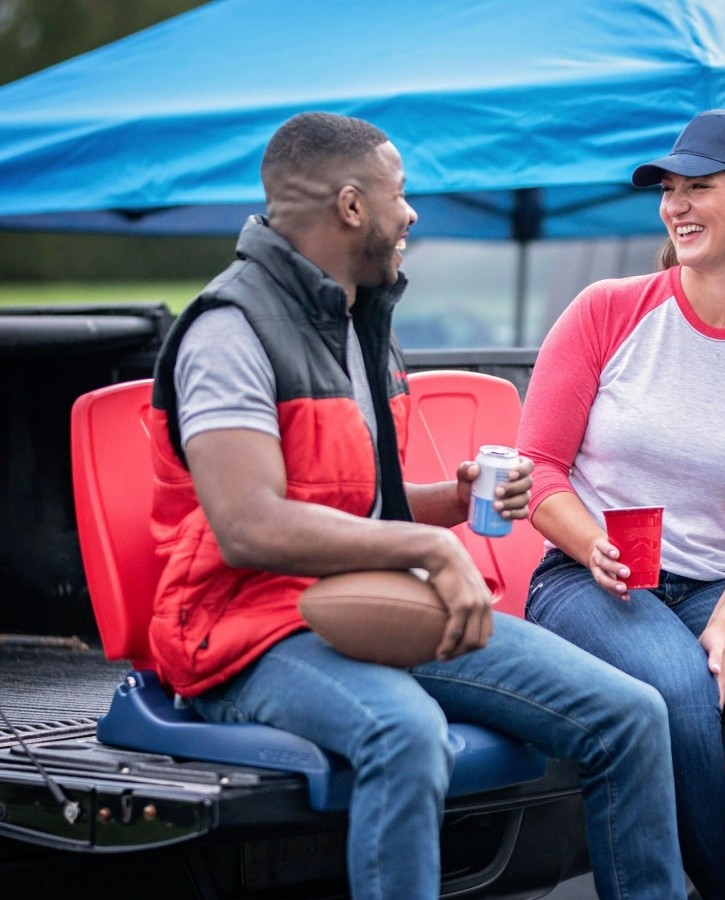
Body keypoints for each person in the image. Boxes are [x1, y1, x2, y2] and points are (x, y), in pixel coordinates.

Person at [146, 111, 687, 899]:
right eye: (401, 193)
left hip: (371, 601)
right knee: (405, 735)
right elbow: (249, 524)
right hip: (245, 630)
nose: (414, 213)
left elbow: (363, 506)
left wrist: (453, 504)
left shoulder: (361, 317)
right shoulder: (230, 330)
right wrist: (428, 553)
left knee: (632, 714)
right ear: (352, 206)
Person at [517, 109, 725, 900]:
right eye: (669, 190)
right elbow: (537, 470)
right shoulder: (608, 309)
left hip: (720, 583)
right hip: (587, 578)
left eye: (699, 187)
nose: (676, 206)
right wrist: (589, 540)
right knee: (676, 688)